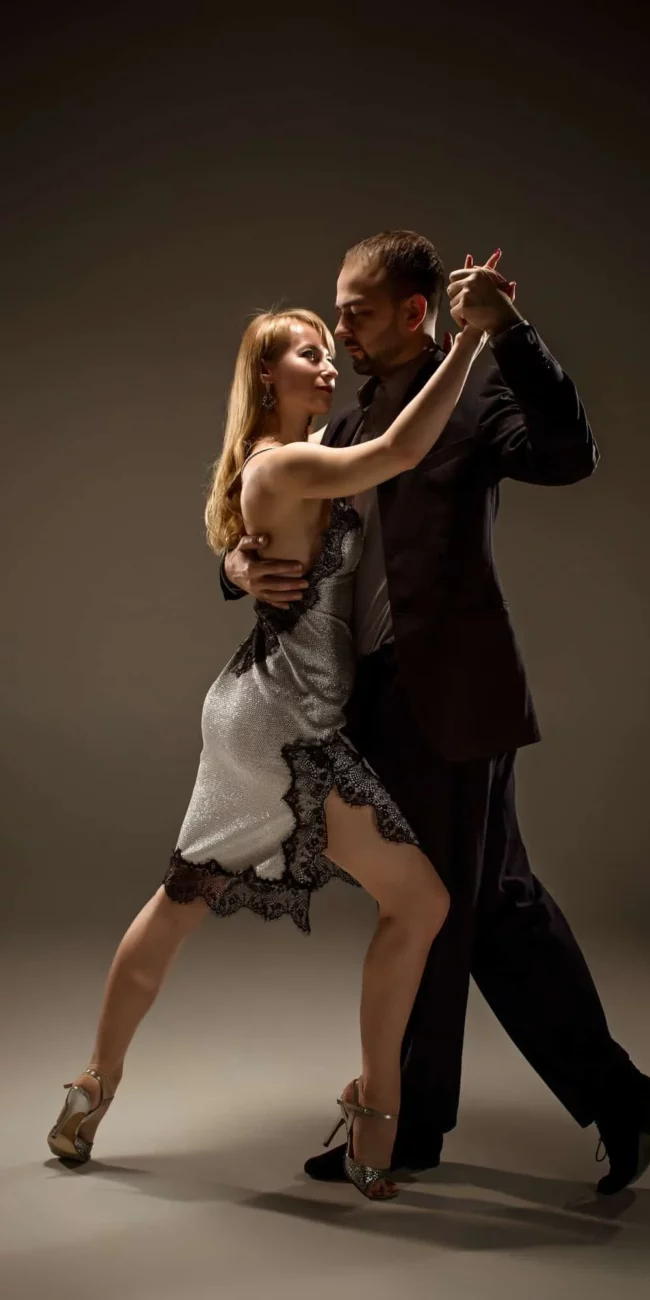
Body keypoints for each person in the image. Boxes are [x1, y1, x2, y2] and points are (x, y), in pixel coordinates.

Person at [221, 232, 650, 1196]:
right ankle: (620, 1101)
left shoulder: (477, 393)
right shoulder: (347, 421)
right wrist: (239, 564)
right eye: (337, 311)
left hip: (453, 695)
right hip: (376, 701)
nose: (341, 329)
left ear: (416, 313)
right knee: (491, 906)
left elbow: (569, 456)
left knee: (432, 911)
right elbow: (277, 513)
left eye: (358, 312)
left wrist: (516, 335)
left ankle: (406, 1128)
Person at [47, 296, 492, 1200]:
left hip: (262, 706)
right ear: (264, 374)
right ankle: (377, 1115)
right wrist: (473, 341)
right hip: (287, 723)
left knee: (183, 896)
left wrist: (235, 566)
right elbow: (399, 452)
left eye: (330, 350)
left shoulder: (287, 455)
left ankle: (93, 1085)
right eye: (306, 354)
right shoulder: (284, 461)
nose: (328, 365)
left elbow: (299, 513)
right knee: (420, 903)